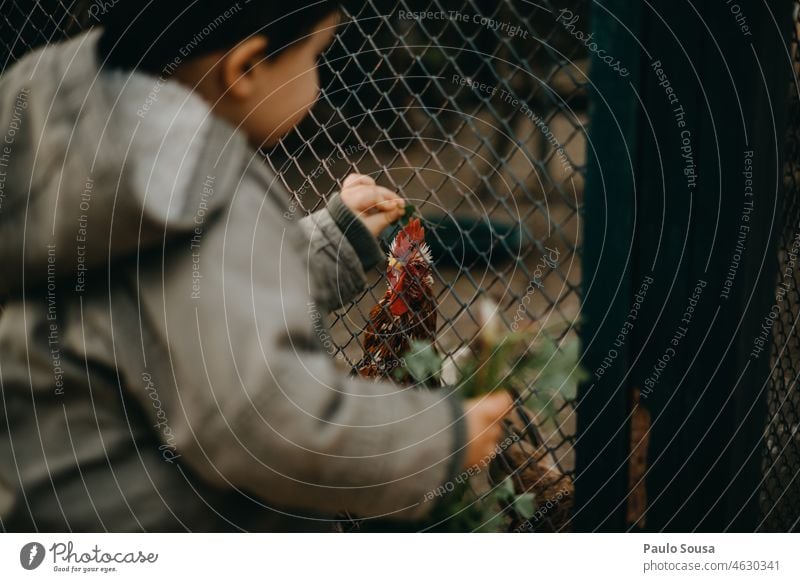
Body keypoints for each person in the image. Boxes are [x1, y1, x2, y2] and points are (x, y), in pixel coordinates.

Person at [0, 0, 512, 531]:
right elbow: (264, 421)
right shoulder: (205, 187)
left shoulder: (92, 163)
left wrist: (334, 239)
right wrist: (438, 442)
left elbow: (188, 304)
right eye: (316, 56)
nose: (317, 81)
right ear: (245, 69)